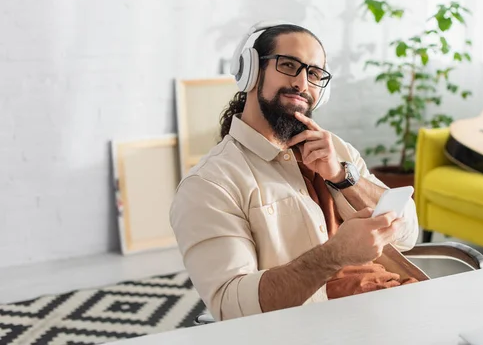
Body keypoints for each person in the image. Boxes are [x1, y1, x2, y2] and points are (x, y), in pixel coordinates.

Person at [170, 21, 422, 321]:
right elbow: (230, 308)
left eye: (314, 74)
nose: (303, 83)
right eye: (289, 65)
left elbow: (408, 234)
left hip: (401, 307)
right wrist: (335, 255)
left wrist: (344, 178)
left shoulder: (336, 150)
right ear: (251, 72)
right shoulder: (210, 184)